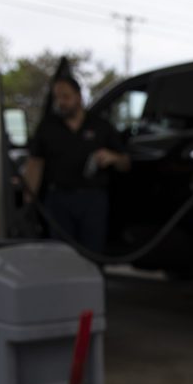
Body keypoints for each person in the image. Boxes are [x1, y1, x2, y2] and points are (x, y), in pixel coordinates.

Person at [24, 76, 130, 253]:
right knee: (61, 253)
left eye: (66, 97)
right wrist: (29, 202)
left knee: (93, 251)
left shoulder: (100, 126)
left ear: (79, 96)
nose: (61, 102)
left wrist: (113, 158)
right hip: (58, 199)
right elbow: (35, 164)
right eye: (57, 97)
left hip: (92, 199)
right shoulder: (48, 126)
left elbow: (126, 163)